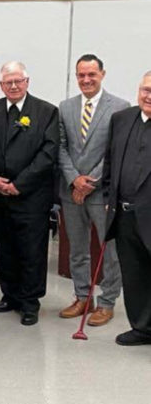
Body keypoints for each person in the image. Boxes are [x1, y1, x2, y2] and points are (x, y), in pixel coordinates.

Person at [0, 61, 59, 326]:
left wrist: (19, 183)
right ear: (1, 85)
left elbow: (48, 154)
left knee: (32, 249)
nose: (13, 86)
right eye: (7, 82)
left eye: (18, 81)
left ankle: (29, 302)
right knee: (4, 247)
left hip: (32, 195)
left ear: (27, 81)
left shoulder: (47, 112)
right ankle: (10, 294)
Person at [58, 54, 129, 326]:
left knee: (109, 250)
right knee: (77, 249)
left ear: (102, 74)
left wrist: (90, 182)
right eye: (81, 75)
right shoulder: (65, 107)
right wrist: (74, 179)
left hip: (102, 193)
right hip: (71, 192)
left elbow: (115, 150)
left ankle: (107, 302)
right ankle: (82, 297)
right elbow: (61, 147)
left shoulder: (119, 107)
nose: (86, 80)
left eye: (91, 74)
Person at [103, 71, 151, 346]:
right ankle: (142, 328)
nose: (149, 96)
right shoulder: (121, 119)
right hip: (124, 214)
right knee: (134, 275)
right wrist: (110, 194)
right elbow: (109, 161)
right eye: (146, 89)